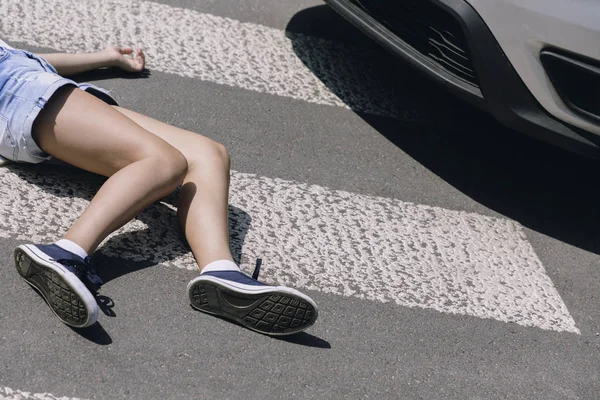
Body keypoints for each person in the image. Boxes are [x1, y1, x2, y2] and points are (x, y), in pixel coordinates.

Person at [1, 40, 318, 335]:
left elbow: (34, 60)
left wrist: (106, 57)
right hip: (22, 95)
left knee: (208, 154)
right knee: (165, 162)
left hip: (38, 90)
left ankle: (220, 272)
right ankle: (64, 252)